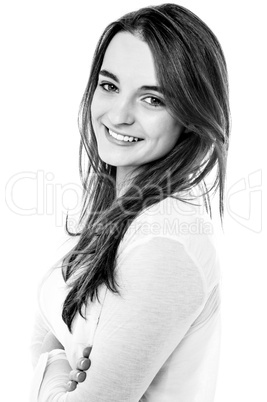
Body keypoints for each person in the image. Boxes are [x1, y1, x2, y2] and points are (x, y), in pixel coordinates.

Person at [30, 3, 230, 401]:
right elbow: (45, 332)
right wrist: (59, 363)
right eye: (109, 86)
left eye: (153, 99)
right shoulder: (112, 214)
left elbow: (46, 344)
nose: (118, 114)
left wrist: (53, 367)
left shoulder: (165, 244)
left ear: (191, 114)